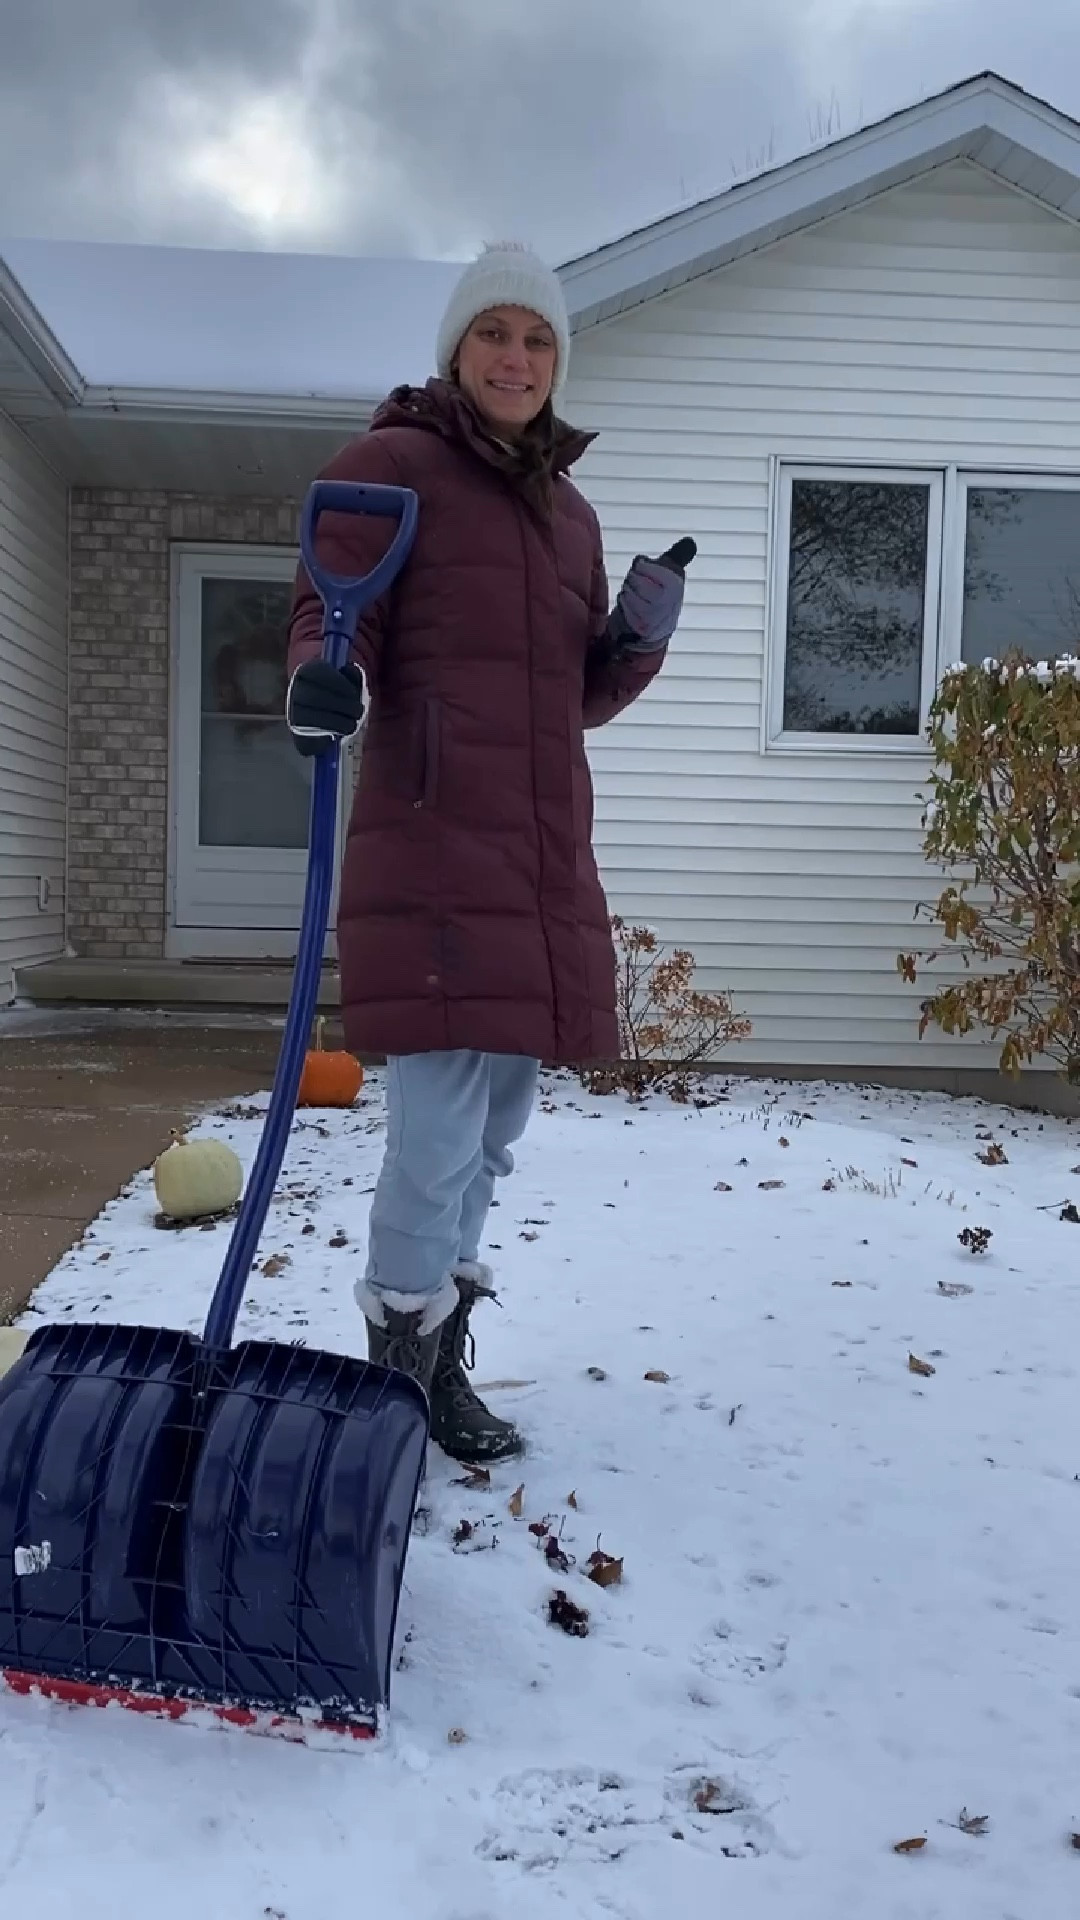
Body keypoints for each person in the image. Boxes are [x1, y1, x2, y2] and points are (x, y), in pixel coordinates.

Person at [285, 241, 686, 1465]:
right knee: (438, 1130)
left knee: (497, 1124)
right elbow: (326, 609)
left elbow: (568, 699)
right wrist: (325, 678)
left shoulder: (567, 513)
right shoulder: (390, 467)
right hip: (434, 849)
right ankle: (400, 1375)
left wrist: (630, 642)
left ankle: (438, 1349)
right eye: (495, 333)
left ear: (558, 362)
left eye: (540, 339)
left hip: (541, 856)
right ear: (457, 348)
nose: (517, 358)